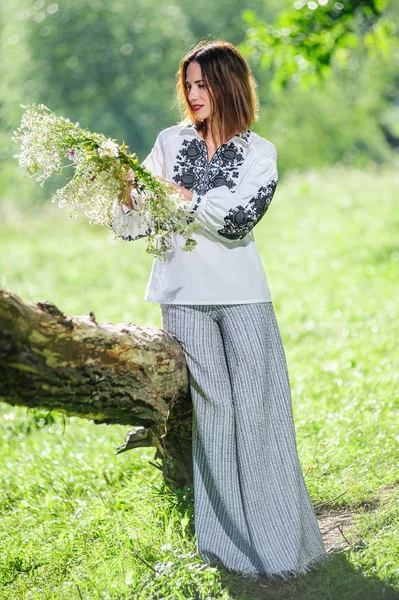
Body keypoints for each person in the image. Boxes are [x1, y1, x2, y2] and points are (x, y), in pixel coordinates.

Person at [112, 40, 330, 581]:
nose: (192, 94)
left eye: (202, 84)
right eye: (187, 84)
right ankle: (228, 552)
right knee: (213, 424)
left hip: (244, 297)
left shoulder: (261, 153)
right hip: (182, 300)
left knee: (260, 415)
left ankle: (284, 548)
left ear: (228, 85)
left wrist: (179, 198)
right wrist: (124, 193)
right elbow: (131, 225)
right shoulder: (167, 142)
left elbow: (237, 221)